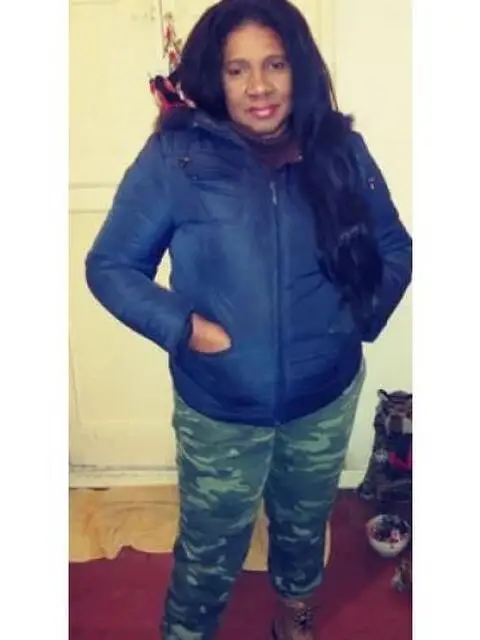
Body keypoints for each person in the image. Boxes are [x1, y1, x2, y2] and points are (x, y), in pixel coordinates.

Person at [85, 0, 412, 638]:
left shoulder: (340, 149)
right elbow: (112, 266)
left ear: (299, 69)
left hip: (323, 399)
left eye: (275, 65)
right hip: (220, 406)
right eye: (237, 70)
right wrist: (185, 329)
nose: (258, 86)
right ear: (215, 75)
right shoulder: (176, 157)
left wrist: (357, 318)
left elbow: (394, 248)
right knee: (210, 542)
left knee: (303, 523)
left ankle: (295, 616)